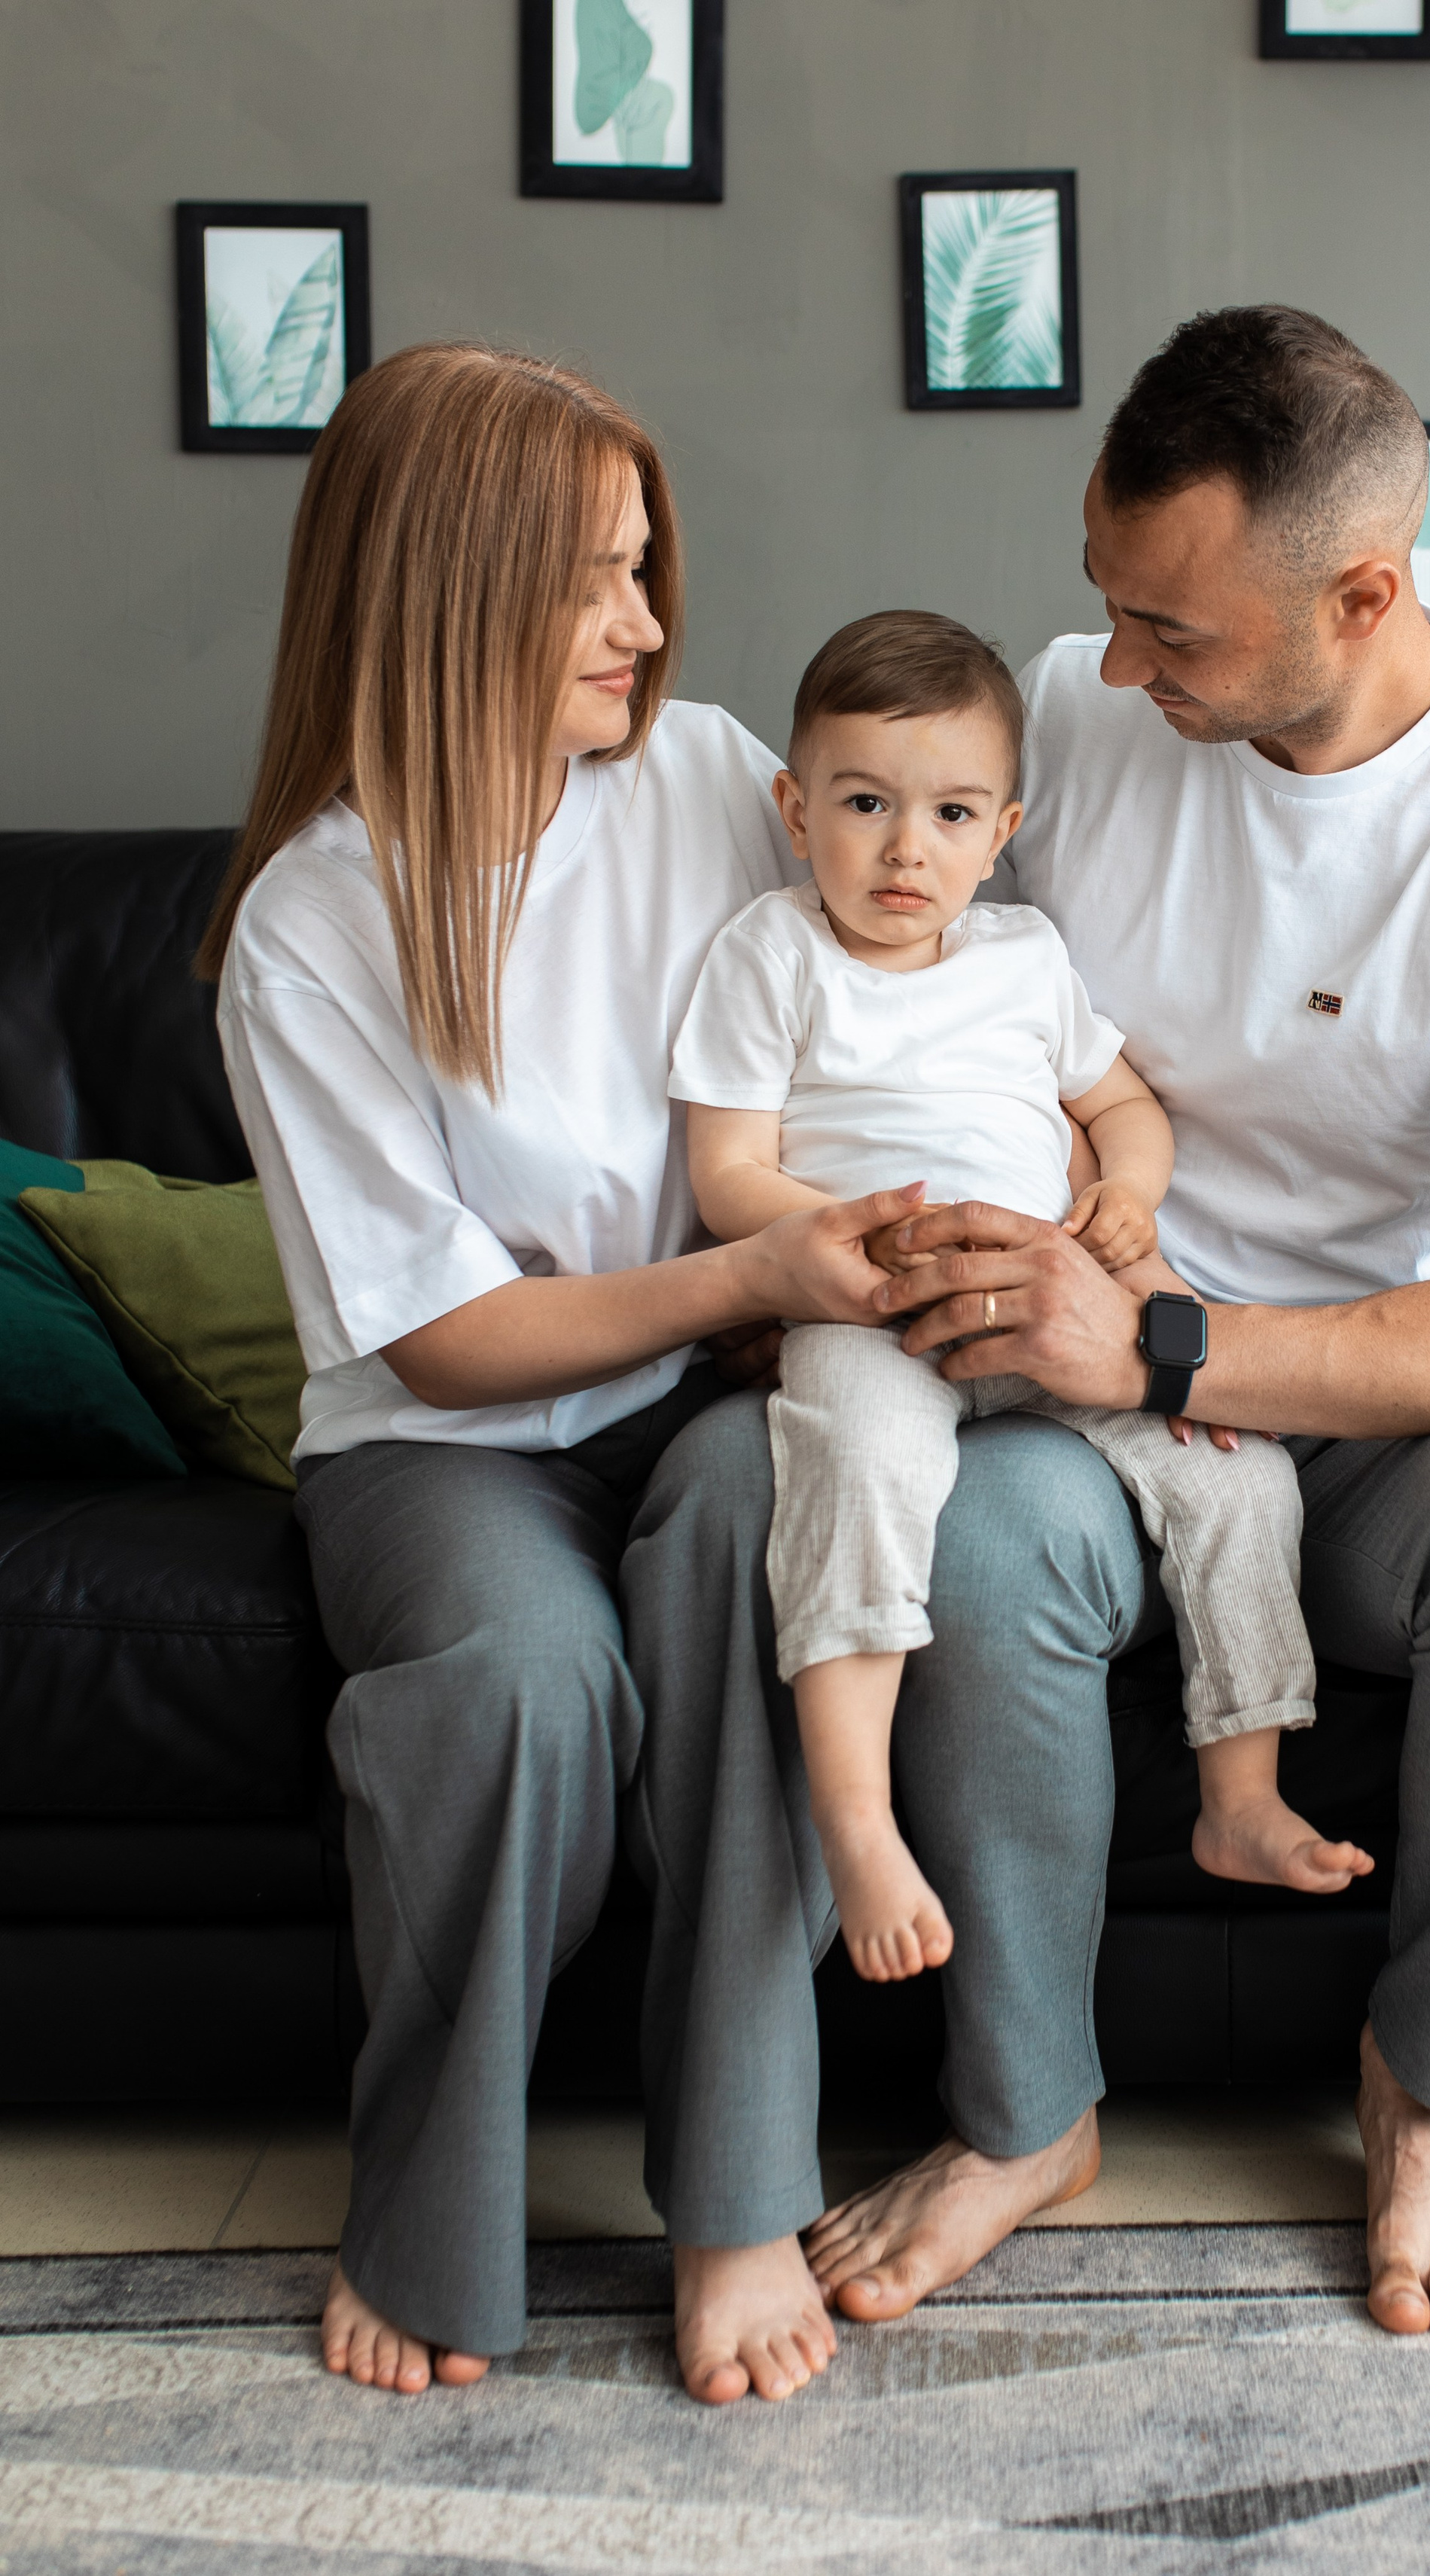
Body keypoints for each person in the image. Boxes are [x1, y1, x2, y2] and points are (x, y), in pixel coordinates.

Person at [800, 308, 1430, 2339]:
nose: (1113, 668)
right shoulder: (1066, 717)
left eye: (1171, 631)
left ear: (1364, 592)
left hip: (1370, 1415)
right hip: (1079, 1415)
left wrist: (1173, 1347)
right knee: (983, 1538)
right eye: (1107, 605)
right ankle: (1028, 2114)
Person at [200, 342, 983, 2407]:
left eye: (649, 570)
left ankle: (737, 2190)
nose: (649, 622)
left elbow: (908, 956)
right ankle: (426, 2205)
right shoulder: (310, 919)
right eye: (597, 580)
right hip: (443, 1440)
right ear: (446, 584)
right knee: (526, 1677)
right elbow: (443, 1333)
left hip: (699, 1400)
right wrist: (736, 1266)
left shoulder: (719, 776)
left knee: (761, 1535)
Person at [668, 609, 1373, 1983]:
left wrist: (1131, 1196)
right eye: (863, 803)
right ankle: (859, 1819)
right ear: (793, 807)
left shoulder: (1023, 956)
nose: (903, 847)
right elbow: (726, 1173)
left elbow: (1121, 1104)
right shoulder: (774, 955)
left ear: (1004, 830)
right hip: (871, 1314)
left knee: (1238, 1470)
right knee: (855, 1474)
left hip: (1052, 1310)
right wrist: (841, 1240)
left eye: (950, 812)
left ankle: (1239, 1795)